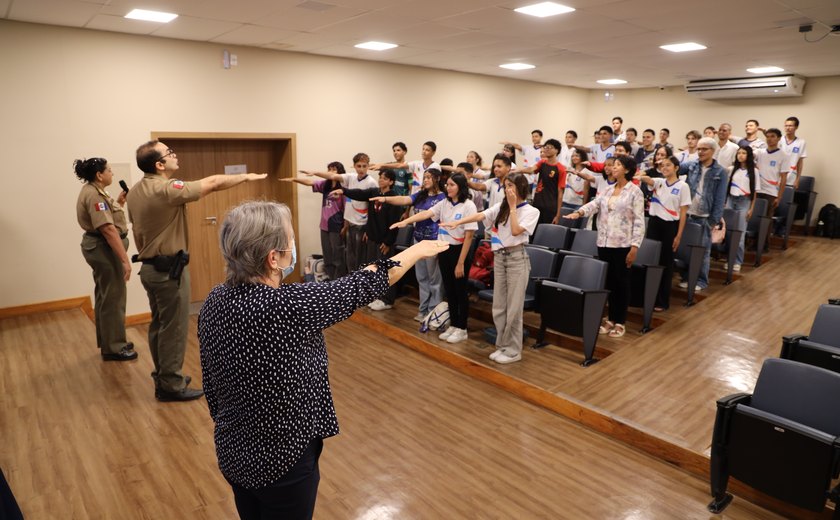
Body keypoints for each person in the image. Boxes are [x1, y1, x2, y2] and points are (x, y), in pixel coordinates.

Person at [198, 200, 447, 520]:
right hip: (282, 460)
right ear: (273, 258)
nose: (293, 246)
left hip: (235, 450)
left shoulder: (216, 300)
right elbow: (364, 284)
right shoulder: (287, 306)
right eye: (289, 240)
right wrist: (416, 251)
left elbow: (211, 382)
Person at [128, 140, 266, 402]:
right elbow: (212, 183)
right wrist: (246, 176)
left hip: (150, 268)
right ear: (159, 164)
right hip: (169, 272)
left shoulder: (136, 191)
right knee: (174, 328)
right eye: (169, 153)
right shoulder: (165, 188)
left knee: (159, 325)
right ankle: (171, 385)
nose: (174, 155)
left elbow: (136, 230)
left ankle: (164, 374)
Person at [441, 173, 539, 364]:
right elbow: (481, 215)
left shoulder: (531, 211)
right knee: (499, 306)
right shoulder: (500, 207)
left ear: (520, 188)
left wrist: (512, 207)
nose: (507, 189)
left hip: (517, 259)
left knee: (513, 309)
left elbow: (516, 231)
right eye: (505, 186)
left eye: (511, 185)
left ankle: (513, 350)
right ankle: (502, 345)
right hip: (499, 259)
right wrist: (458, 222)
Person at [391, 173, 478, 343]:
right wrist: (406, 222)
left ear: (460, 187)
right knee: (449, 290)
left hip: (459, 252)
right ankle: (453, 325)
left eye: (452, 184)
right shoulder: (444, 203)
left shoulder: (469, 206)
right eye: (448, 184)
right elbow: (426, 214)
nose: (448, 187)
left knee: (460, 292)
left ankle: (462, 328)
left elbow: (469, 237)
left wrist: (460, 262)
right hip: (444, 249)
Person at [567, 156, 645, 338]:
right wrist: (579, 212)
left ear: (627, 170)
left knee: (621, 283)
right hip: (604, 242)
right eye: (612, 165)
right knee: (609, 282)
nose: (613, 168)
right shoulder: (608, 189)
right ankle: (610, 318)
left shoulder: (635, 191)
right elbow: (594, 204)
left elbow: (640, 221)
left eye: (618, 165)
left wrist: (635, 247)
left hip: (623, 244)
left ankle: (620, 321)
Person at [74, 157, 135, 361]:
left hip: (101, 247)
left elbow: (107, 218)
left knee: (105, 295)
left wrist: (119, 203)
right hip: (104, 249)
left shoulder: (95, 191)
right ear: (99, 175)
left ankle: (110, 341)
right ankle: (114, 347)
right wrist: (125, 260)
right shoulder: (94, 196)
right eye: (109, 170)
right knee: (113, 297)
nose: (112, 173)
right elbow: (108, 230)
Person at [371, 169, 446, 321]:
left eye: (429, 178)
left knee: (434, 280)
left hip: (433, 241)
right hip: (418, 240)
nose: (425, 180)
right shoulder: (420, 195)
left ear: (437, 179)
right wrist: (386, 199)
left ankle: (433, 312)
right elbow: (404, 200)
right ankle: (423, 310)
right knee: (422, 277)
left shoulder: (443, 197)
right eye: (424, 177)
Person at [332, 169, 405, 310]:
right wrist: (344, 191)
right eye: (380, 177)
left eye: (384, 178)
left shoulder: (393, 198)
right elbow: (359, 194)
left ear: (391, 181)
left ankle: (387, 300)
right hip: (373, 237)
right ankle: (377, 296)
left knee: (385, 271)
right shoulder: (374, 192)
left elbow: (394, 223)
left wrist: (388, 242)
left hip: (384, 241)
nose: (381, 180)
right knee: (373, 268)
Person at [302, 153, 378, 272]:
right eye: (359, 166)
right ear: (354, 166)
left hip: (362, 224)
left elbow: (373, 208)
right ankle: (349, 284)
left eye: (364, 166)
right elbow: (333, 176)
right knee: (349, 257)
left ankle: (358, 286)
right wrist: (315, 172)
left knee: (360, 259)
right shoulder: (351, 177)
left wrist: (369, 229)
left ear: (368, 166)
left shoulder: (371, 182)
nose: (362, 169)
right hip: (350, 223)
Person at [635, 156, 690, 311]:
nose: (664, 168)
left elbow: (683, 213)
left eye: (668, 165)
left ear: (676, 168)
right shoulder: (659, 182)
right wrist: (638, 174)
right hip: (654, 224)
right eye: (662, 166)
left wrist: (678, 235)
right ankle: (645, 297)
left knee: (665, 264)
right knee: (651, 261)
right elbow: (646, 179)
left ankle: (662, 301)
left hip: (670, 226)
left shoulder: (682, 186)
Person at [676, 137, 729, 292]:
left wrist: (713, 221)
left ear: (713, 151)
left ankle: (701, 280)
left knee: (703, 250)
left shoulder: (721, 171)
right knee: (685, 249)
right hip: (688, 213)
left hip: (704, 216)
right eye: (699, 149)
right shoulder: (692, 165)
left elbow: (720, 198)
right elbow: (675, 168)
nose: (700, 152)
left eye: (704, 149)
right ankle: (686, 277)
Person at [282, 161, 346, 280]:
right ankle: (331, 282)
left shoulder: (344, 188)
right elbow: (310, 182)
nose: (331, 172)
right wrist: (294, 179)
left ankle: (339, 282)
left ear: (340, 172)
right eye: (329, 169)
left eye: (334, 169)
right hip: (324, 226)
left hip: (337, 226)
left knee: (338, 257)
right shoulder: (326, 184)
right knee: (327, 257)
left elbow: (347, 210)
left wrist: (345, 227)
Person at [724, 146, 758, 272]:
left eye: (744, 153)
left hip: (744, 201)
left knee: (740, 232)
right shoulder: (732, 169)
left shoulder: (754, 171)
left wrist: (751, 208)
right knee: (728, 232)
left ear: (748, 155)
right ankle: (728, 258)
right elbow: (726, 188)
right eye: (739, 153)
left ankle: (737, 260)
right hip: (731, 200)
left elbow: (755, 192)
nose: (741, 155)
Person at [517, 138, 566, 224]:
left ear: (557, 150)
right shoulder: (542, 162)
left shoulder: (561, 169)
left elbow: (560, 193)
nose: (546, 149)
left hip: (550, 207)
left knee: (545, 232)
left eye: (549, 147)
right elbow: (531, 169)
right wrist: (518, 170)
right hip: (537, 203)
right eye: (545, 147)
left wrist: (558, 215)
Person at [781, 116, 807, 188]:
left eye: (790, 126)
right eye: (786, 126)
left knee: (786, 198)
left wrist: (797, 179)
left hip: (791, 178)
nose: (787, 128)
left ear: (796, 127)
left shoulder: (801, 142)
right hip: (776, 177)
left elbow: (800, 162)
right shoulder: (779, 140)